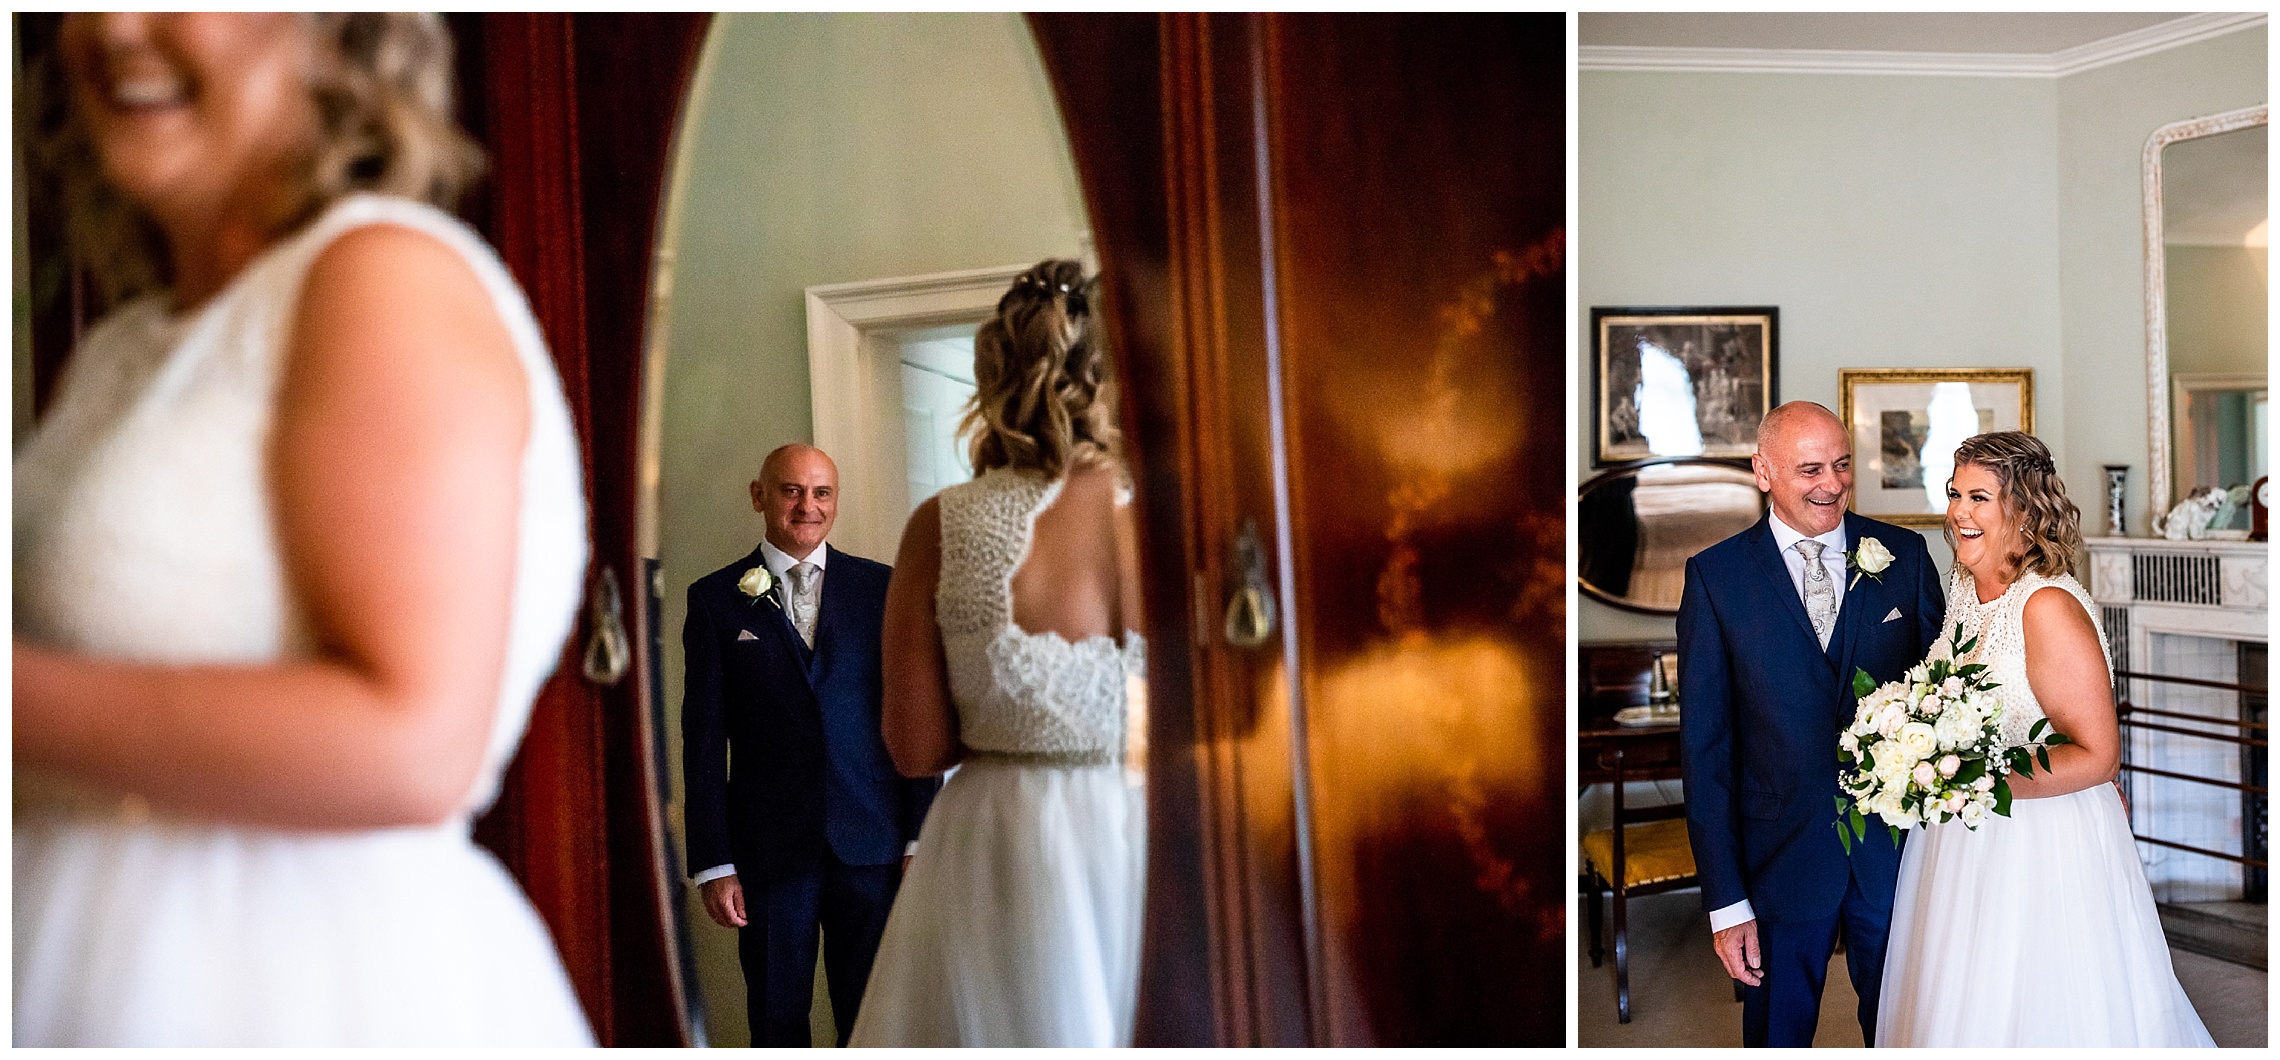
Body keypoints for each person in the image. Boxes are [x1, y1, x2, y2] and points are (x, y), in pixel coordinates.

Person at [13, 13, 591, 1045]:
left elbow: (415, 743)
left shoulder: (381, 279)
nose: (109, 26)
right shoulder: (120, 348)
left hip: (296, 985)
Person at [849, 259, 1146, 1047]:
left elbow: (915, 749)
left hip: (998, 847)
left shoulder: (942, 523)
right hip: (1156, 842)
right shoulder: (1169, 517)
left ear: (991, 375)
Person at [1875, 432, 2213, 1047]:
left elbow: (2098, 753)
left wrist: (1969, 779)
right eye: (1955, 495)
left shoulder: (2046, 605)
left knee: (2038, 1004)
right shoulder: (1963, 590)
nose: (1957, 513)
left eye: (1979, 497)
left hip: (2041, 843)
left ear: (2025, 512)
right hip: (1960, 839)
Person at [1677, 400, 1945, 1046]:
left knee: (1906, 1028)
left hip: (1894, 852)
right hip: (1779, 858)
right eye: (1810, 469)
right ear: (1763, 471)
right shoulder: (1716, 578)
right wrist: (1726, 901)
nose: (1832, 484)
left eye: (1842, 465)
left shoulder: (1904, 559)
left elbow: (1945, 696)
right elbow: (1706, 753)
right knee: (1778, 1036)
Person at [679, 443, 937, 1046]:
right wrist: (715, 862)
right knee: (775, 1019)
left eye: (822, 492)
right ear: (759, 495)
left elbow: (913, 715)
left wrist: (919, 834)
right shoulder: (716, 601)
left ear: (836, 501)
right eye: (792, 490)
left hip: (872, 844)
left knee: (873, 1020)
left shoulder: (882, 589)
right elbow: (702, 739)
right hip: (768, 853)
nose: (808, 506)